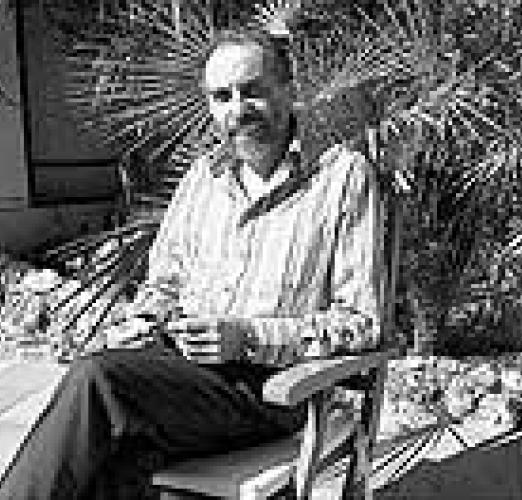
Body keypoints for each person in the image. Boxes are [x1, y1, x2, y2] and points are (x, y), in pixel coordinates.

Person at [0, 27, 382, 499]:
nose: (237, 109)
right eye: (222, 97)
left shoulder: (341, 178)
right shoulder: (203, 178)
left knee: (98, 384)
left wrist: (247, 337)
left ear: (288, 89)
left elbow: (362, 324)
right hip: (181, 378)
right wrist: (143, 324)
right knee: (103, 453)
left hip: (273, 388)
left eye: (253, 91)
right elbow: (163, 285)